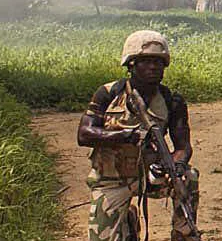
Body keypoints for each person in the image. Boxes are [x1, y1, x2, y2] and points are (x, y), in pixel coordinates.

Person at [77, 30, 199, 241]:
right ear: (131, 64)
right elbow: (84, 134)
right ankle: (128, 221)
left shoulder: (172, 100)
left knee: (188, 177)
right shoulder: (109, 93)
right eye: (146, 61)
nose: (153, 67)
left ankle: (183, 235)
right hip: (112, 180)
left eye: (158, 62)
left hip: (151, 176)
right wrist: (124, 136)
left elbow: (183, 146)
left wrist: (176, 165)